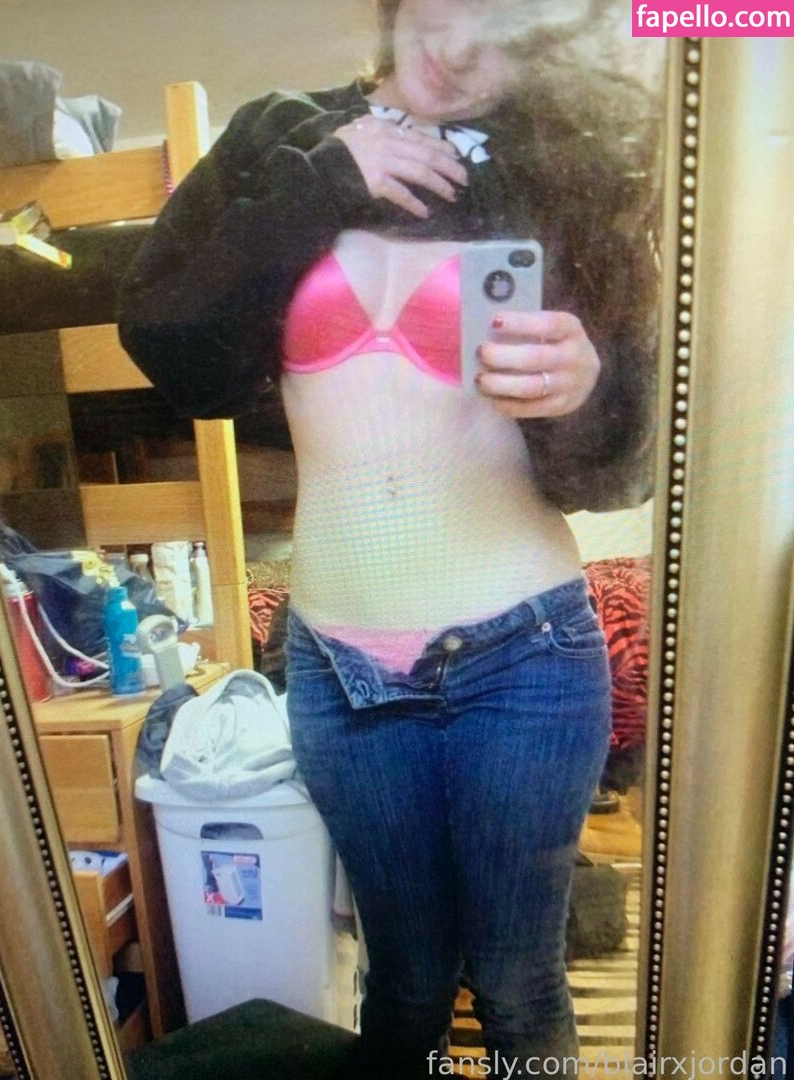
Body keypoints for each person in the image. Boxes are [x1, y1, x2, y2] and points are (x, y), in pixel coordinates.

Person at [118, 1, 660, 1074]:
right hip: (339, 663)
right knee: (402, 977)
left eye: (504, 24)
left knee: (518, 981)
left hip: (524, 653)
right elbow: (168, 342)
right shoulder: (280, 136)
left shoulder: (566, 168)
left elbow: (630, 457)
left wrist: (592, 386)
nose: (457, 48)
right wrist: (320, 183)